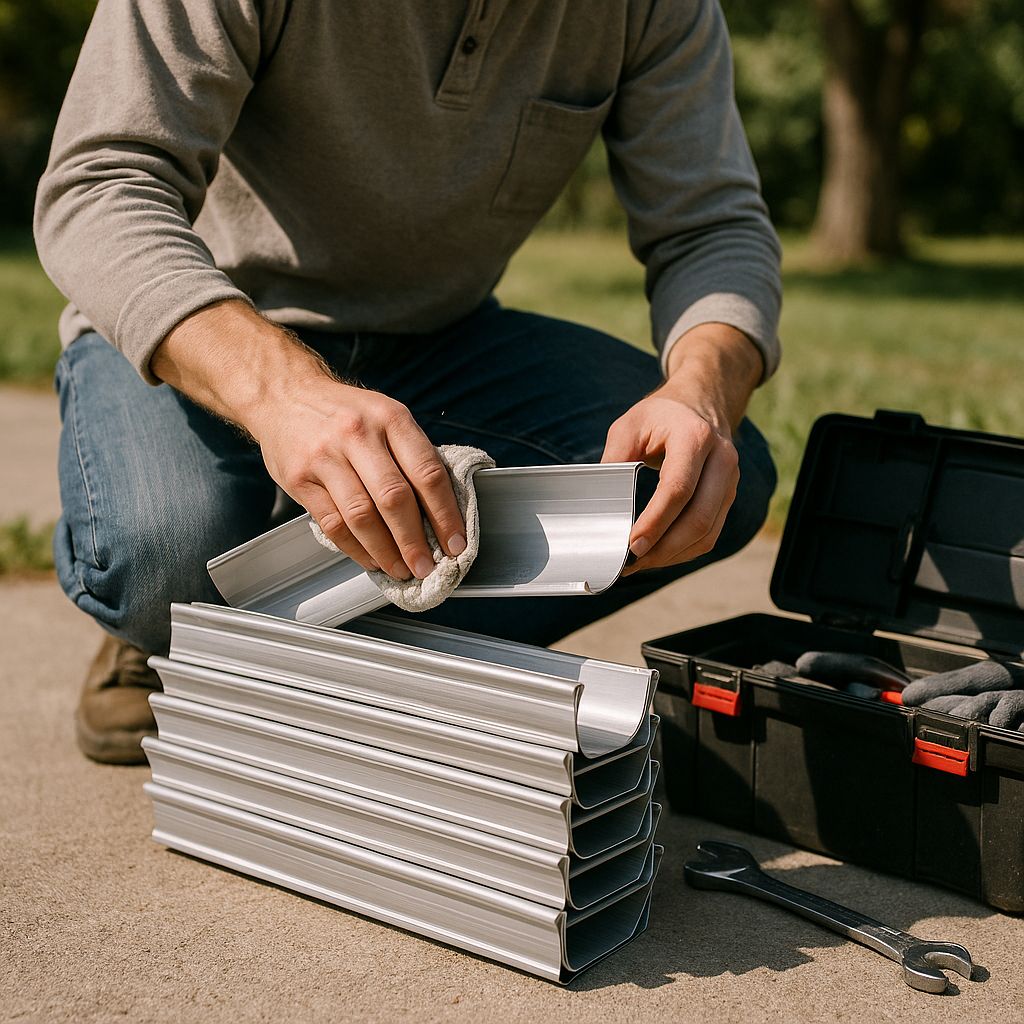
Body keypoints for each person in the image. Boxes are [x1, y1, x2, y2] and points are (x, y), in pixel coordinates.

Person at [34, 0, 782, 765]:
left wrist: (702, 389)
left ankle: (311, 651)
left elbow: (711, 225)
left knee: (705, 477)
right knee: (169, 558)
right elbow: (102, 185)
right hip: (206, 329)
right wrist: (286, 394)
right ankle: (167, 633)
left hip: (440, 338)